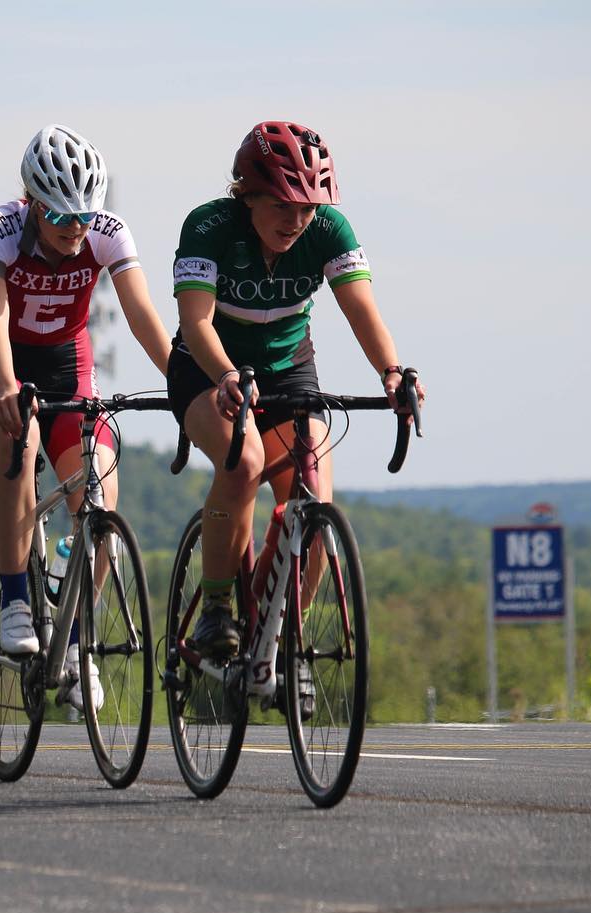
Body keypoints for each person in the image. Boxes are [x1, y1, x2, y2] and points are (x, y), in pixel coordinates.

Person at [166, 120, 427, 656]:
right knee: (243, 464)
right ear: (248, 194)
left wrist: (392, 371)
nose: (297, 221)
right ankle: (216, 608)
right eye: (283, 207)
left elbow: (361, 310)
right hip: (206, 369)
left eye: (308, 208)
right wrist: (228, 376)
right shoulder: (209, 226)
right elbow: (197, 323)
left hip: (288, 371)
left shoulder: (329, 230)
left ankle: (277, 637)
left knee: (312, 507)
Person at [0, 124, 172, 710]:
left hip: (67, 363)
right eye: (61, 217)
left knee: (101, 498)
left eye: (85, 216)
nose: (76, 229)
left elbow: (140, 312)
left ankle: (77, 648)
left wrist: (185, 380)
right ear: (32, 202)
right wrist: (5, 388)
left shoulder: (106, 231)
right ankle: (16, 597)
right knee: (17, 445)